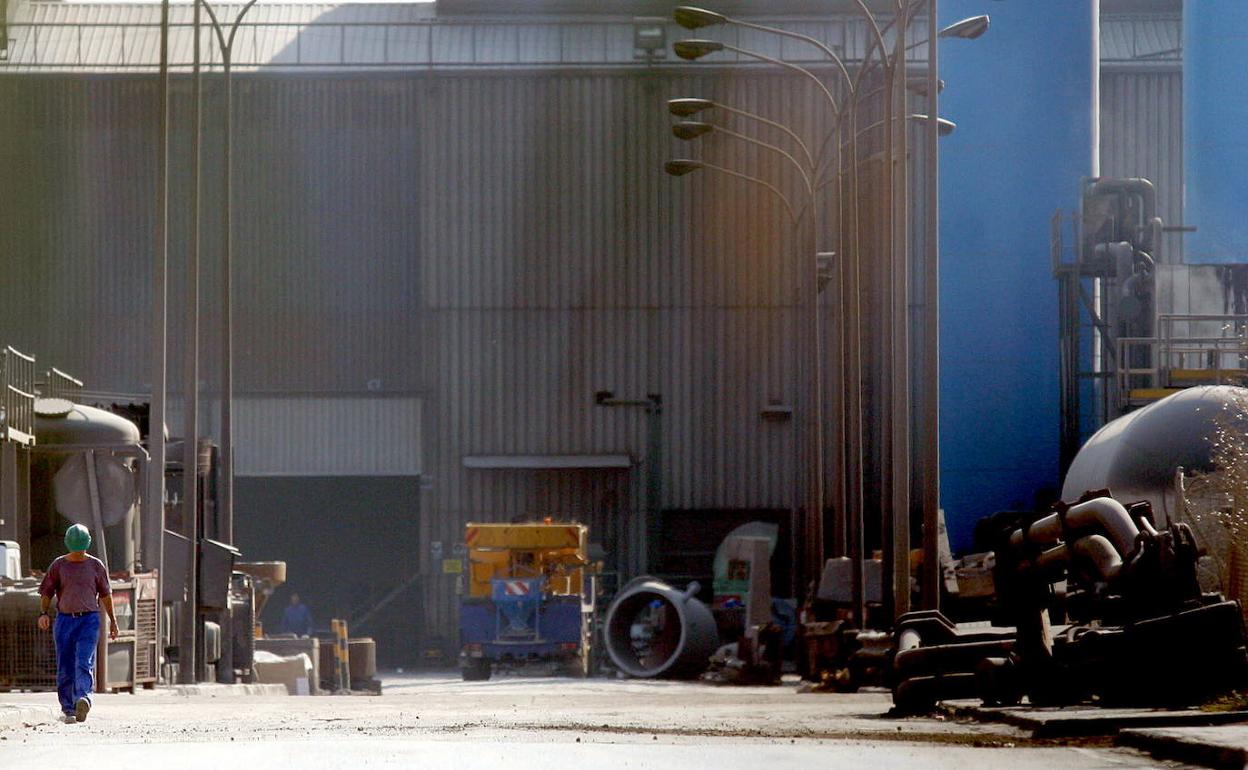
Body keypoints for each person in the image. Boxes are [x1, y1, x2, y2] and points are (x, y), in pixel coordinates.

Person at [37, 524, 118, 724]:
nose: (78, 553)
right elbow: (47, 592)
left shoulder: (96, 566)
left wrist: (112, 620)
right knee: (65, 665)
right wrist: (43, 613)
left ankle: (83, 698)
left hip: (89, 620)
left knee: (83, 661)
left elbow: (106, 595)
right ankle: (68, 707)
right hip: (64, 620)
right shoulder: (58, 566)